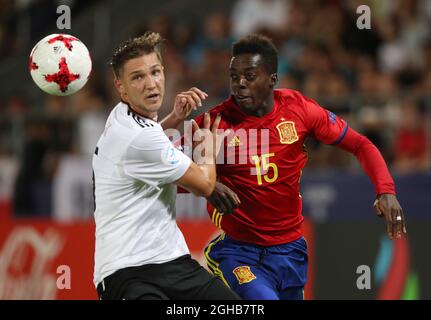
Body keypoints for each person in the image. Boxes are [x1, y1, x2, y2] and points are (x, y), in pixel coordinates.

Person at [190, 34, 407, 300]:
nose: (240, 85)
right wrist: (207, 185)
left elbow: (361, 145)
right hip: (239, 253)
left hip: (290, 251)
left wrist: (386, 190)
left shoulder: (299, 110)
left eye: (249, 75)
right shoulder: (213, 124)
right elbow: (163, 169)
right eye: (234, 77)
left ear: (272, 79)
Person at [92, 31, 239, 300]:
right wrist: (208, 150)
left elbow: (145, 146)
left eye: (156, 72)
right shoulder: (140, 137)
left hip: (173, 263)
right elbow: (204, 184)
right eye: (138, 77)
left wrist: (174, 118)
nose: (151, 84)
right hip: (126, 273)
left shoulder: (122, 117)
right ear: (120, 87)